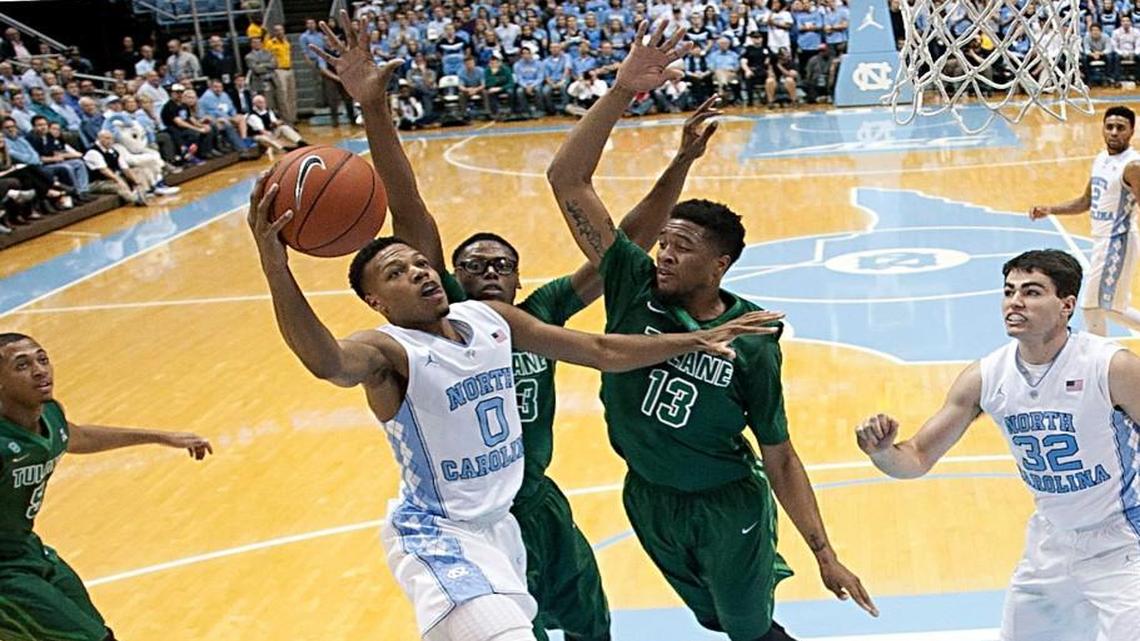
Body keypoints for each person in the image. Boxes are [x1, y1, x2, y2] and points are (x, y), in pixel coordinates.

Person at [301, 15, 782, 641]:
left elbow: (624, 244)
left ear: (520, 279)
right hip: (475, 517)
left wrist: (680, 163)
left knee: (591, 627)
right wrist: (374, 109)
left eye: (504, 265)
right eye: (473, 266)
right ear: (451, 276)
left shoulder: (539, 314)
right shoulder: (440, 316)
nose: (491, 273)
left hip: (539, 503)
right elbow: (408, 206)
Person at [546, 21, 877, 641]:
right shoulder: (631, 283)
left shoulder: (751, 337)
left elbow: (778, 451)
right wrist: (621, 92)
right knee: (714, 620)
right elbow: (567, 180)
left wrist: (823, 553)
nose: (664, 255)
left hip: (727, 506)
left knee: (749, 630)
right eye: (662, 243)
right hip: (647, 496)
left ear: (719, 264)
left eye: (682, 247)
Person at [855, 249, 1140, 640]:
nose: (1015, 302)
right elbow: (917, 458)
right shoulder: (987, 376)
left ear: (1066, 306)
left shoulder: (1112, 367)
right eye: (1009, 291)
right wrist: (881, 451)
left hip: (1124, 543)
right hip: (1051, 543)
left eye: (1033, 292)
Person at [0, 332, 212, 641]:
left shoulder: (51, 416)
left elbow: (79, 437)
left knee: (96, 629)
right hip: (5, 572)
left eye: (42, 359)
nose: (40, 370)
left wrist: (162, 437)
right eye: (22, 365)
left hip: (29, 552)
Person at [1031, 106, 1140, 336]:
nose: (1113, 132)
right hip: (1102, 241)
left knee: (1092, 305)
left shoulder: (1133, 166)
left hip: (1118, 241)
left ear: (1131, 131)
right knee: (1107, 308)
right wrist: (1050, 209)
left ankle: (1098, 361)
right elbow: (1085, 201)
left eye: (1120, 128)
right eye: (1109, 126)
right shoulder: (1100, 159)